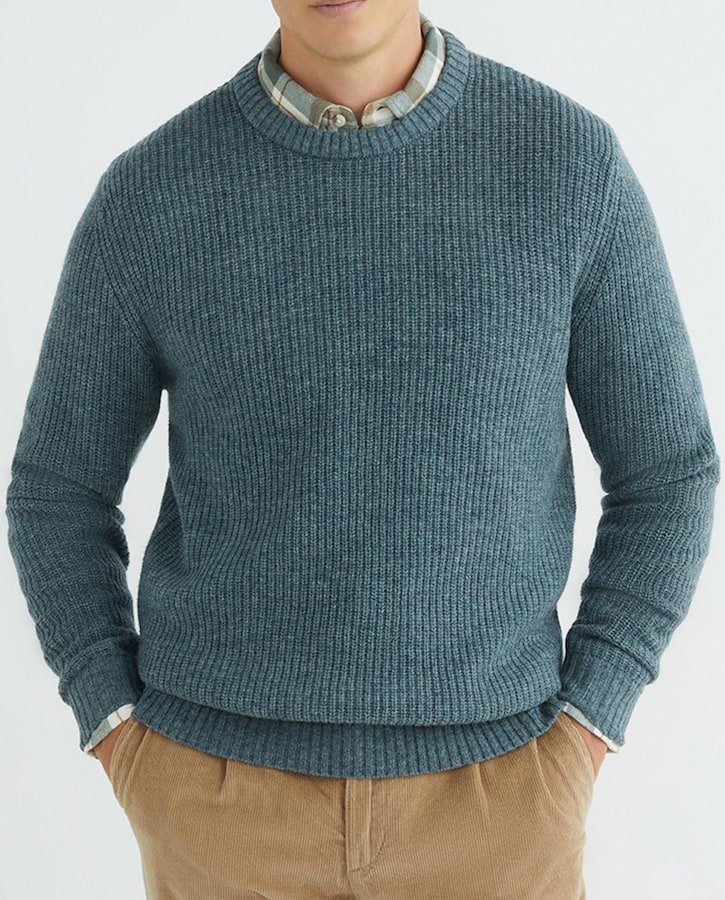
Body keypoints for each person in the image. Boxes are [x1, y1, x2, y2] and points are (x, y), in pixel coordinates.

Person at [6, 1, 719, 897]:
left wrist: (590, 720)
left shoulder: (566, 166)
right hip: (220, 812)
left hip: (499, 807)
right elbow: (58, 488)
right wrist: (113, 721)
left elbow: (668, 473)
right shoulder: (154, 193)